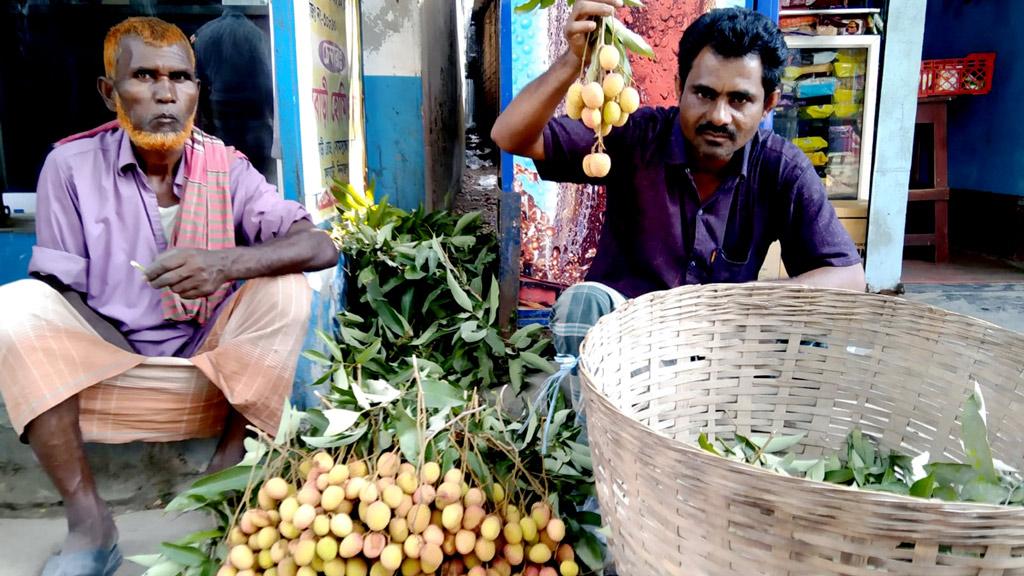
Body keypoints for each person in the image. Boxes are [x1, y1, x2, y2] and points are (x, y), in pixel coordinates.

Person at [0, 17, 338, 575]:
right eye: (145, 77)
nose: (165, 93)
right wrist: (114, 349)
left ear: (196, 92)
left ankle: (225, 479)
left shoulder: (225, 166)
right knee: (16, 306)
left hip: (213, 370)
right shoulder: (70, 166)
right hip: (104, 364)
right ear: (110, 92)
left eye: (180, 78)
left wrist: (224, 264)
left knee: (285, 288)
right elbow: (58, 286)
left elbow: (318, 245)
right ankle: (90, 524)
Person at [491, 4, 865, 382]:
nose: (719, 116)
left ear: (768, 103)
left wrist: (748, 303)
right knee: (583, 305)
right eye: (704, 93)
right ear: (678, 88)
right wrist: (573, 60)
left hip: (721, 349)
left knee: (813, 338)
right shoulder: (636, 137)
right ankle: (600, 434)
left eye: (739, 100)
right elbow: (510, 135)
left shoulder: (781, 167)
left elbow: (849, 280)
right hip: (624, 345)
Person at [192, 6, 275, 179]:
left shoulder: (205, 34)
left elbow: (199, 83)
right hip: (254, 109)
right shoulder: (258, 35)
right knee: (258, 167)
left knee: (228, 162)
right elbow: (267, 77)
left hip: (222, 107)